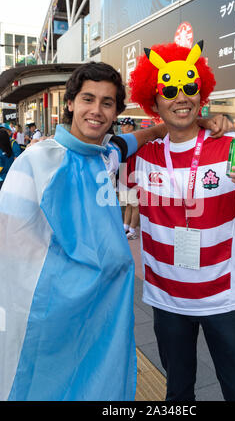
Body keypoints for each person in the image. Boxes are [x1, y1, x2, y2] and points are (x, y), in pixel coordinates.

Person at [0, 61, 174, 401]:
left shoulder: (104, 154)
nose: (96, 110)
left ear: (115, 111)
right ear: (70, 103)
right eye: (87, 99)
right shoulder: (36, 161)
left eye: (107, 103)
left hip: (103, 311)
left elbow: (130, 141)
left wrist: (162, 129)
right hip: (51, 317)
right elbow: (9, 251)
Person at [126, 40, 235, 401]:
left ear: (202, 92)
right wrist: (155, 130)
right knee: (178, 392)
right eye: (170, 90)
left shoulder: (232, 146)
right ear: (154, 98)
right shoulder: (142, 155)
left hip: (224, 298)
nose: (182, 97)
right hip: (167, 299)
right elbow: (106, 145)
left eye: (190, 88)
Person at [119, 117, 140, 239]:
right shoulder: (122, 139)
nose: (122, 128)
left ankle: (132, 230)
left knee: (135, 204)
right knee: (127, 203)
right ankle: (125, 227)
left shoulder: (137, 139)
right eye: (122, 125)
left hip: (134, 173)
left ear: (131, 126)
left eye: (125, 125)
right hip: (124, 171)